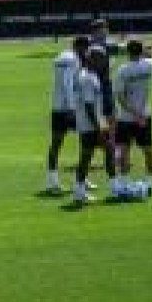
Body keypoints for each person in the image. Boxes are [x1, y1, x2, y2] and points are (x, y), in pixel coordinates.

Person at [111, 37, 152, 198]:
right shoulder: (149, 65)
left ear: (127, 52)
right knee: (149, 151)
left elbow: (120, 98)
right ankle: (151, 183)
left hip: (126, 118)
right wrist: (149, 50)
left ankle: (124, 183)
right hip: (144, 115)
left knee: (123, 151)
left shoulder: (123, 70)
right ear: (141, 51)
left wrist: (134, 114)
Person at [44, 35, 85, 192]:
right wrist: (72, 108)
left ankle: (51, 180)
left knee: (56, 144)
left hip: (56, 107)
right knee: (86, 141)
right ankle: (81, 178)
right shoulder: (74, 59)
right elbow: (68, 83)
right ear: (81, 47)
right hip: (70, 109)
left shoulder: (61, 57)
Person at [70, 45, 109, 204]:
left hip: (87, 124)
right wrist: (98, 126)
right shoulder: (88, 78)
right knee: (89, 156)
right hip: (89, 125)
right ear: (92, 58)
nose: (103, 61)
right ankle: (80, 191)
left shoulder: (87, 74)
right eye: (101, 58)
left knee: (88, 156)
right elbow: (88, 105)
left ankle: (80, 188)